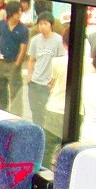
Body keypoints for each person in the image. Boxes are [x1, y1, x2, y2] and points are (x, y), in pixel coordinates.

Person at [26, 11, 65, 127]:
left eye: (45, 24)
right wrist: (29, 75)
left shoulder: (58, 40)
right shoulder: (35, 40)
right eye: (40, 24)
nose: (42, 27)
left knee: (46, 112)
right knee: (35, 111)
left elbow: (60, 62)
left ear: (51, 25)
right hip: (35, 81)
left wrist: (54, 81)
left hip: (48, 83)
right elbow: (31, 59)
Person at [0, 0, 29, 114]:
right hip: (0, 62)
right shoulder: (1, 24)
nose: (20, 14)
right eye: (18, 12)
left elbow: (23, 49)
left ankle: (16, 117)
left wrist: (17, 64)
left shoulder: (23, 29)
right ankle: (1, 113)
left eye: (21, 12)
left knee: (16, 93)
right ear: (11, 13)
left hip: (13, 63)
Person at [43, 25, 69, 166]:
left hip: (55, 107)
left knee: (48, 147)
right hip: (76, 112)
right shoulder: (89, 64)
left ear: (64, 43)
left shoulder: (57, 62)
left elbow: (51, 82)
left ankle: (44, 172)